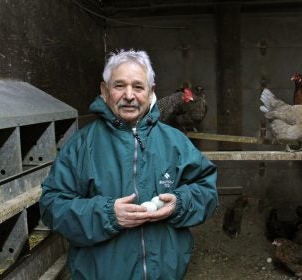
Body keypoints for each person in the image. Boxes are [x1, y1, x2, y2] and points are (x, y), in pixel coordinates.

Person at [39, 49, 218, 280]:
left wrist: (179, 204)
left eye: (138, 87)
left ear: (151, 92)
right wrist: (107, 215)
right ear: (104, 91)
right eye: (119, 85)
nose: (129, 95)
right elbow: (52, 206)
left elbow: (207, 191)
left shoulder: (176, 143)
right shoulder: (81, 145)